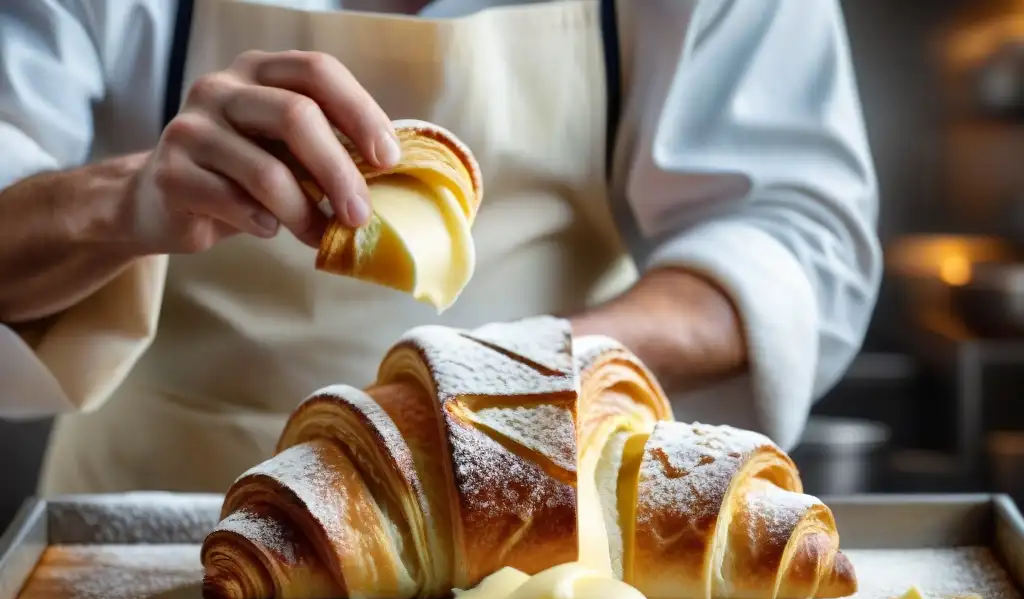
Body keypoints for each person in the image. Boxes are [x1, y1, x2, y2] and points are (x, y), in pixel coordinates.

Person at [0, 0, 882, 496]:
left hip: (533, 507)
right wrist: (121, 197)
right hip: (157, 528)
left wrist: (522, 372)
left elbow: (797, 235)